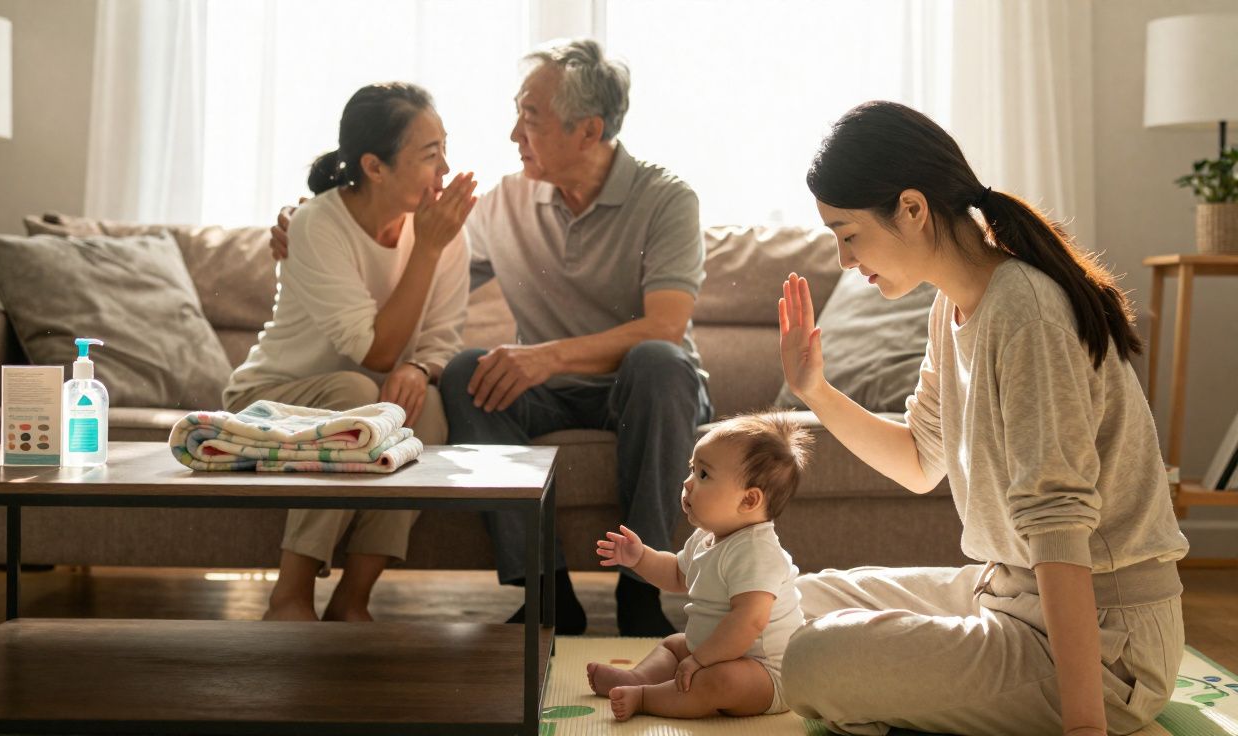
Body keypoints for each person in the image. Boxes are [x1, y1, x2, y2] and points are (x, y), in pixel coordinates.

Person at [269, 40, 712, 636]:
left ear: (588, 130)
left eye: (530, 118)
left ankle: (641, 590)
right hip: (550, 391)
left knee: (659, 361)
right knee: (465, 374)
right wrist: (324, 219)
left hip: (644, 389)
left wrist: (545, 356)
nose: (513, 134)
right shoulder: (502, 202)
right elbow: (411, 259)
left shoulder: (667, 199)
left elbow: (665, 326)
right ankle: (546, 592)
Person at [777, 101, 1189, 736]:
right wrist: (815, 391)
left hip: (1107, 643)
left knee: (811, 658)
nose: (844, 260)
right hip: (1007, 596)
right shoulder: (955, 306)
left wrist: (1085, 727)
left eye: (847, 234)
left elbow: (1058, 525)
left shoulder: (1026, 313)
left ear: (911, 209)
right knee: (785, 603)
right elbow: (920, 461)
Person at [225, 82, 477, 622]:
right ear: (375, 166)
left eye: (444, 150)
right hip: (273, 394)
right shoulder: (317, 223)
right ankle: (289, 596)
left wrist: (419, 367)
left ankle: (352, 599)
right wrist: (428, 249)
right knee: (359, 391)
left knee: (426, 407)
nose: (445, 168)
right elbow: (374, 351)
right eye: (430, 155)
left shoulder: (445, 232)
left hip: (363, 395)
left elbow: (440, 336)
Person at [586, 412, 810, 721]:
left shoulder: (756, 552)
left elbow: (749, 622)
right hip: (716, 653)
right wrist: (641, 558)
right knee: (674, 645)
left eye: (703, 475)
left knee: (721, 681)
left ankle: (645, 697)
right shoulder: (707, 538)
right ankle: (637, 679)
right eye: (693, 469)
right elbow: (678, 575)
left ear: (748, 501)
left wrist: (701, 659)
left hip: (768, 673)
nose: (687, 483)